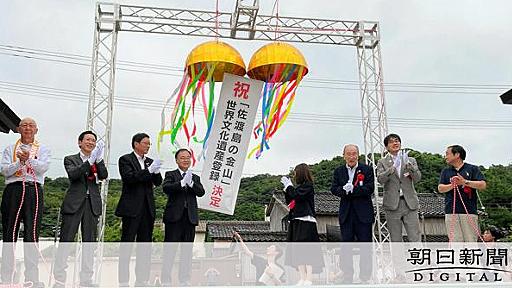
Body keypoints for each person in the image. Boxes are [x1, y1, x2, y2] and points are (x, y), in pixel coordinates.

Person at [53, 131, 108, 288]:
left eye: (94, 141)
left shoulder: (97, 160)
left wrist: (99, 160)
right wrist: (88, 162)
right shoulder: (70, 159)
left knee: (89, 243)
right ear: (80, 142)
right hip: (74, 204)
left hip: (92, 204)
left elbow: (103, 175)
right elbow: (74, 175)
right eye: (88, 140)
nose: (91, 143)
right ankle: (59, 278)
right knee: (66, 241)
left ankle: (86, 279)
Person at [1, 117, 50, 287]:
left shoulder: (42, 149)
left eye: (31, 126)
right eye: (24, 126)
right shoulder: (9, 149)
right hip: (13, 190)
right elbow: (5, 171)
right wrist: (19, 162)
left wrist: (29, 159)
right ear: (18, 129)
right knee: (9, 232)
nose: (28, 128)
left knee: (32, 234)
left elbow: (43, 167)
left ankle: (32, 278)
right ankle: (6, 276)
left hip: (33, 190)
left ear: (36, 130)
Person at [115, 133, 162, 286]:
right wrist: (148, 171)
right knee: (127, 245)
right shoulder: (125, 159)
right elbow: (129, 178)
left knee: (145, 246)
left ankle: (142, 279)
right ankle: (123, 280)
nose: (148, 146)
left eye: (149, 144)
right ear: (136, 144)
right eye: (145, 143)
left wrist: (154, 171)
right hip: (131, 208)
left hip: (147, 208)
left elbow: (158, 182)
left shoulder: (150, 161)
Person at [160, 148, 205, 286]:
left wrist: (190, 183)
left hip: (190, 218)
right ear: (177, 160)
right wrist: (181, 183)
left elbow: (201, 192)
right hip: (174, 218)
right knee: (170, 251)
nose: (186, 160)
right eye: (182, 157)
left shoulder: (195, 177)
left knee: (187, 251)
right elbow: (166, 188)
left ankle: (184, 279)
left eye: (188, 157)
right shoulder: (171, 174)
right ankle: (166, 280)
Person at [330, 144, 374, 284]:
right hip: (347, 214)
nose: (351, 156)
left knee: (365, 247)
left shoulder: (366, 169)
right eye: (348, 154)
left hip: (363, 214)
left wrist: (353, 190)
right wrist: (344, 190)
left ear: (358, 155)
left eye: (354, 153)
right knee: (346, 247)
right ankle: (347, 275)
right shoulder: (339, 171)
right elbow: (333, 188)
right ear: (344, 156)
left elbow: (369, 188)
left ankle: (365, 277)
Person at [280, 163, 321, 285]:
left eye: (296, 173)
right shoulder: (299, 188)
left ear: (301, 173)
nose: (294, 176)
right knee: (297, 250)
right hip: (296, 220)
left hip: (306, 221)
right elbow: (290, 201)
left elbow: (296, 196)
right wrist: (287, 189)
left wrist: (289, 187)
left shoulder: (308, 186)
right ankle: (302, 277)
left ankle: (309, 278)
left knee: (306, 249)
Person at [377, 133, 422, 242]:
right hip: (392, 205)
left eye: (397, 141)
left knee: (415, 236)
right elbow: (380, 179)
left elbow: (417, 178)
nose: (395, 143)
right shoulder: (382, 162)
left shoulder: (410, 160)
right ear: (386, 147)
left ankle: (417, 259)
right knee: (395, 239)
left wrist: (410, 168)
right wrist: (391, 169)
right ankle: (398, 260)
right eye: (391, 142)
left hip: (409, 203)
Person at [438, 145, 486, 242]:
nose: (445, 156)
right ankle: (456, 258)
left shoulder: (472, 169)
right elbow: (440, 188)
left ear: (457, 155)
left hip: (469, 211)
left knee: (470, 241)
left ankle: (469, 257)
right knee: (455, 241)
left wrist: (465, 182)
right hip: (451, 211)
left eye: (447, 154)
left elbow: (483, 185)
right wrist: (453, 184)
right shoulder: (446, 171)